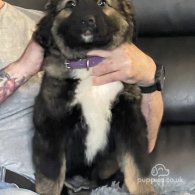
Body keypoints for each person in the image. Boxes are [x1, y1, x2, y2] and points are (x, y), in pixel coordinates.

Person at [0, 0, 163, 194]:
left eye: (102, 2)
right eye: (72, 3)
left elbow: (146, 141)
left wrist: (150, 79)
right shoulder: (44, 35)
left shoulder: (45, 22)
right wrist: (23, 67)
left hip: (88, 181)